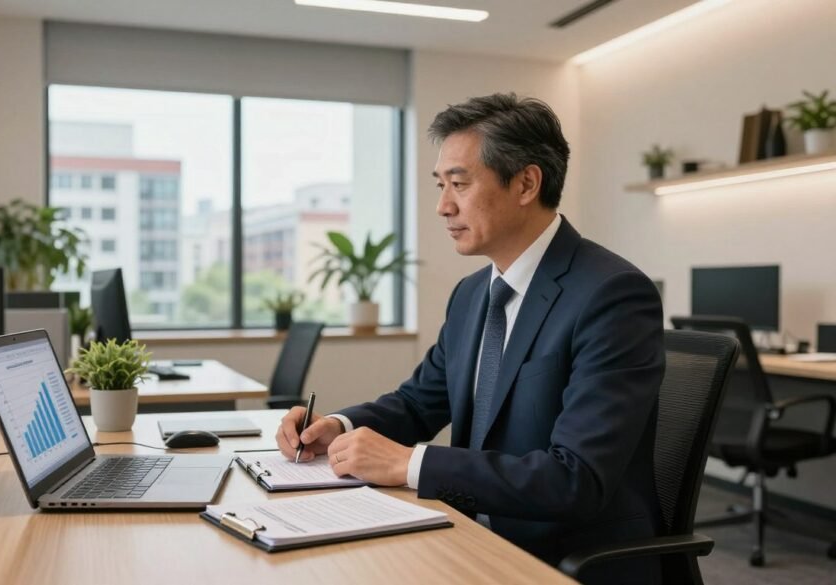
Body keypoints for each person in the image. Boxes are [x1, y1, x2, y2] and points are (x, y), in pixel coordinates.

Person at [276, 93, 664, 582]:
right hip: (465, 533)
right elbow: (419, 403)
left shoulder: (611, 295)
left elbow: (575, 478)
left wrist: (408, 463)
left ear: (526, 183)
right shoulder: (473, 293)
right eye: (441, 185)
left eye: (458, 183)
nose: (442, 206)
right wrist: (336, 426)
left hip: (559, 557)